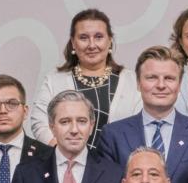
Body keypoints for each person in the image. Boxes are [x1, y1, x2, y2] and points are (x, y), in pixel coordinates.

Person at [96, 46, 188, 183]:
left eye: (169, 78)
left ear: (179, 84)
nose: (161, 85)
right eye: (152, 78)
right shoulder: (113, 135)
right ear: (138, 83)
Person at [28, 9, 141, 145]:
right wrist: (62, 152)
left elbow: (141, 125)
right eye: (83, 38)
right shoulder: (55, 79)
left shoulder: (131, 80)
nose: (91, 45)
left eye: (98, 37)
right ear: (73, 42)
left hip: (121, 158)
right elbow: (39, 122)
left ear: (110, 41)